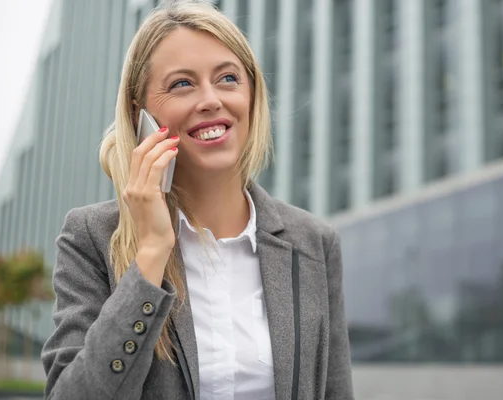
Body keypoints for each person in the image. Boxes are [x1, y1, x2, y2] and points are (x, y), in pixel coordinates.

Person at [40, 2, 353, 399]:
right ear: (141, 115)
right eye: (182, 84)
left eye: (227, 78)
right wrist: (151, 253)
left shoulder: (314, 242)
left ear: (252, 95)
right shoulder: (91, 237)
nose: (210, 99)